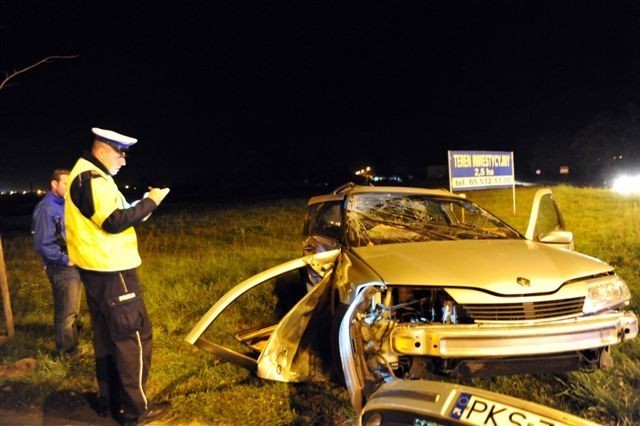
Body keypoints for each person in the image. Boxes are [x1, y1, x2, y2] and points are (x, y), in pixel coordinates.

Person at [65, 127, 171, 426]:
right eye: (120, 153)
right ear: (102, 149)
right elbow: (114, 222)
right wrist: (153, 202)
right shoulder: (93, 179)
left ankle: (110, 403)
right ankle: (136, 411)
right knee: (132, 338)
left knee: (107, 340)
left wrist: (143, 205)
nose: (123, 161)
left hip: (96, 274)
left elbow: (120, 213)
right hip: (114, 273)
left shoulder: (85, 176)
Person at [31, 168, 84, 357]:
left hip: (71, 264)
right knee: (66, 311)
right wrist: (65, 259)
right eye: (65, 184)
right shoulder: (47, 208)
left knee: (72, 309)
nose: (69, 188)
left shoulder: (64, 204)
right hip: (61, 267)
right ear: (54, 184)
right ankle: (67, 354)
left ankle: (72, 345)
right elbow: (42, 244)